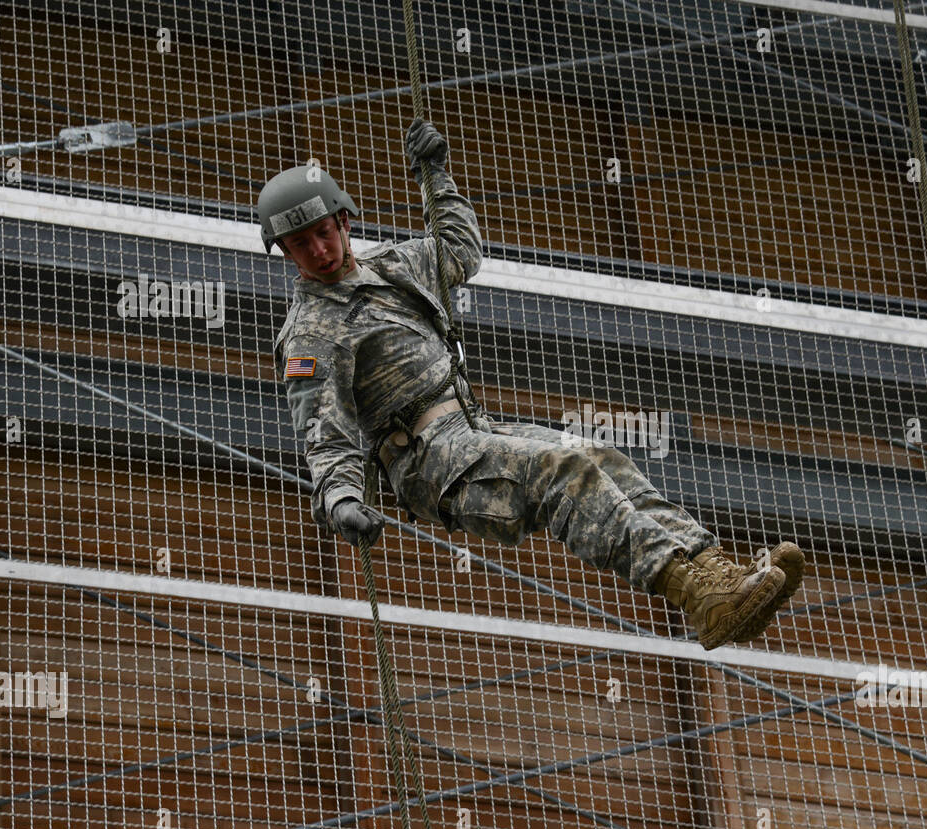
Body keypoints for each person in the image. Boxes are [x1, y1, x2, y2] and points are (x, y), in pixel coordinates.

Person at [257, 119, 805, 649]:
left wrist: (436, 176)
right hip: (429, 462)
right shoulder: (310, 333)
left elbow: (458, 252)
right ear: (286, 252)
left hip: (472, 428)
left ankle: (716, 573)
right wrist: (341, 499)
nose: (319, 251)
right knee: (562, 471)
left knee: (599, 454)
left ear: (344, 222)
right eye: (301, 244)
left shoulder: (392, 264)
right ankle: (692, 594)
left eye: (323, 233)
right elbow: (324, 434)